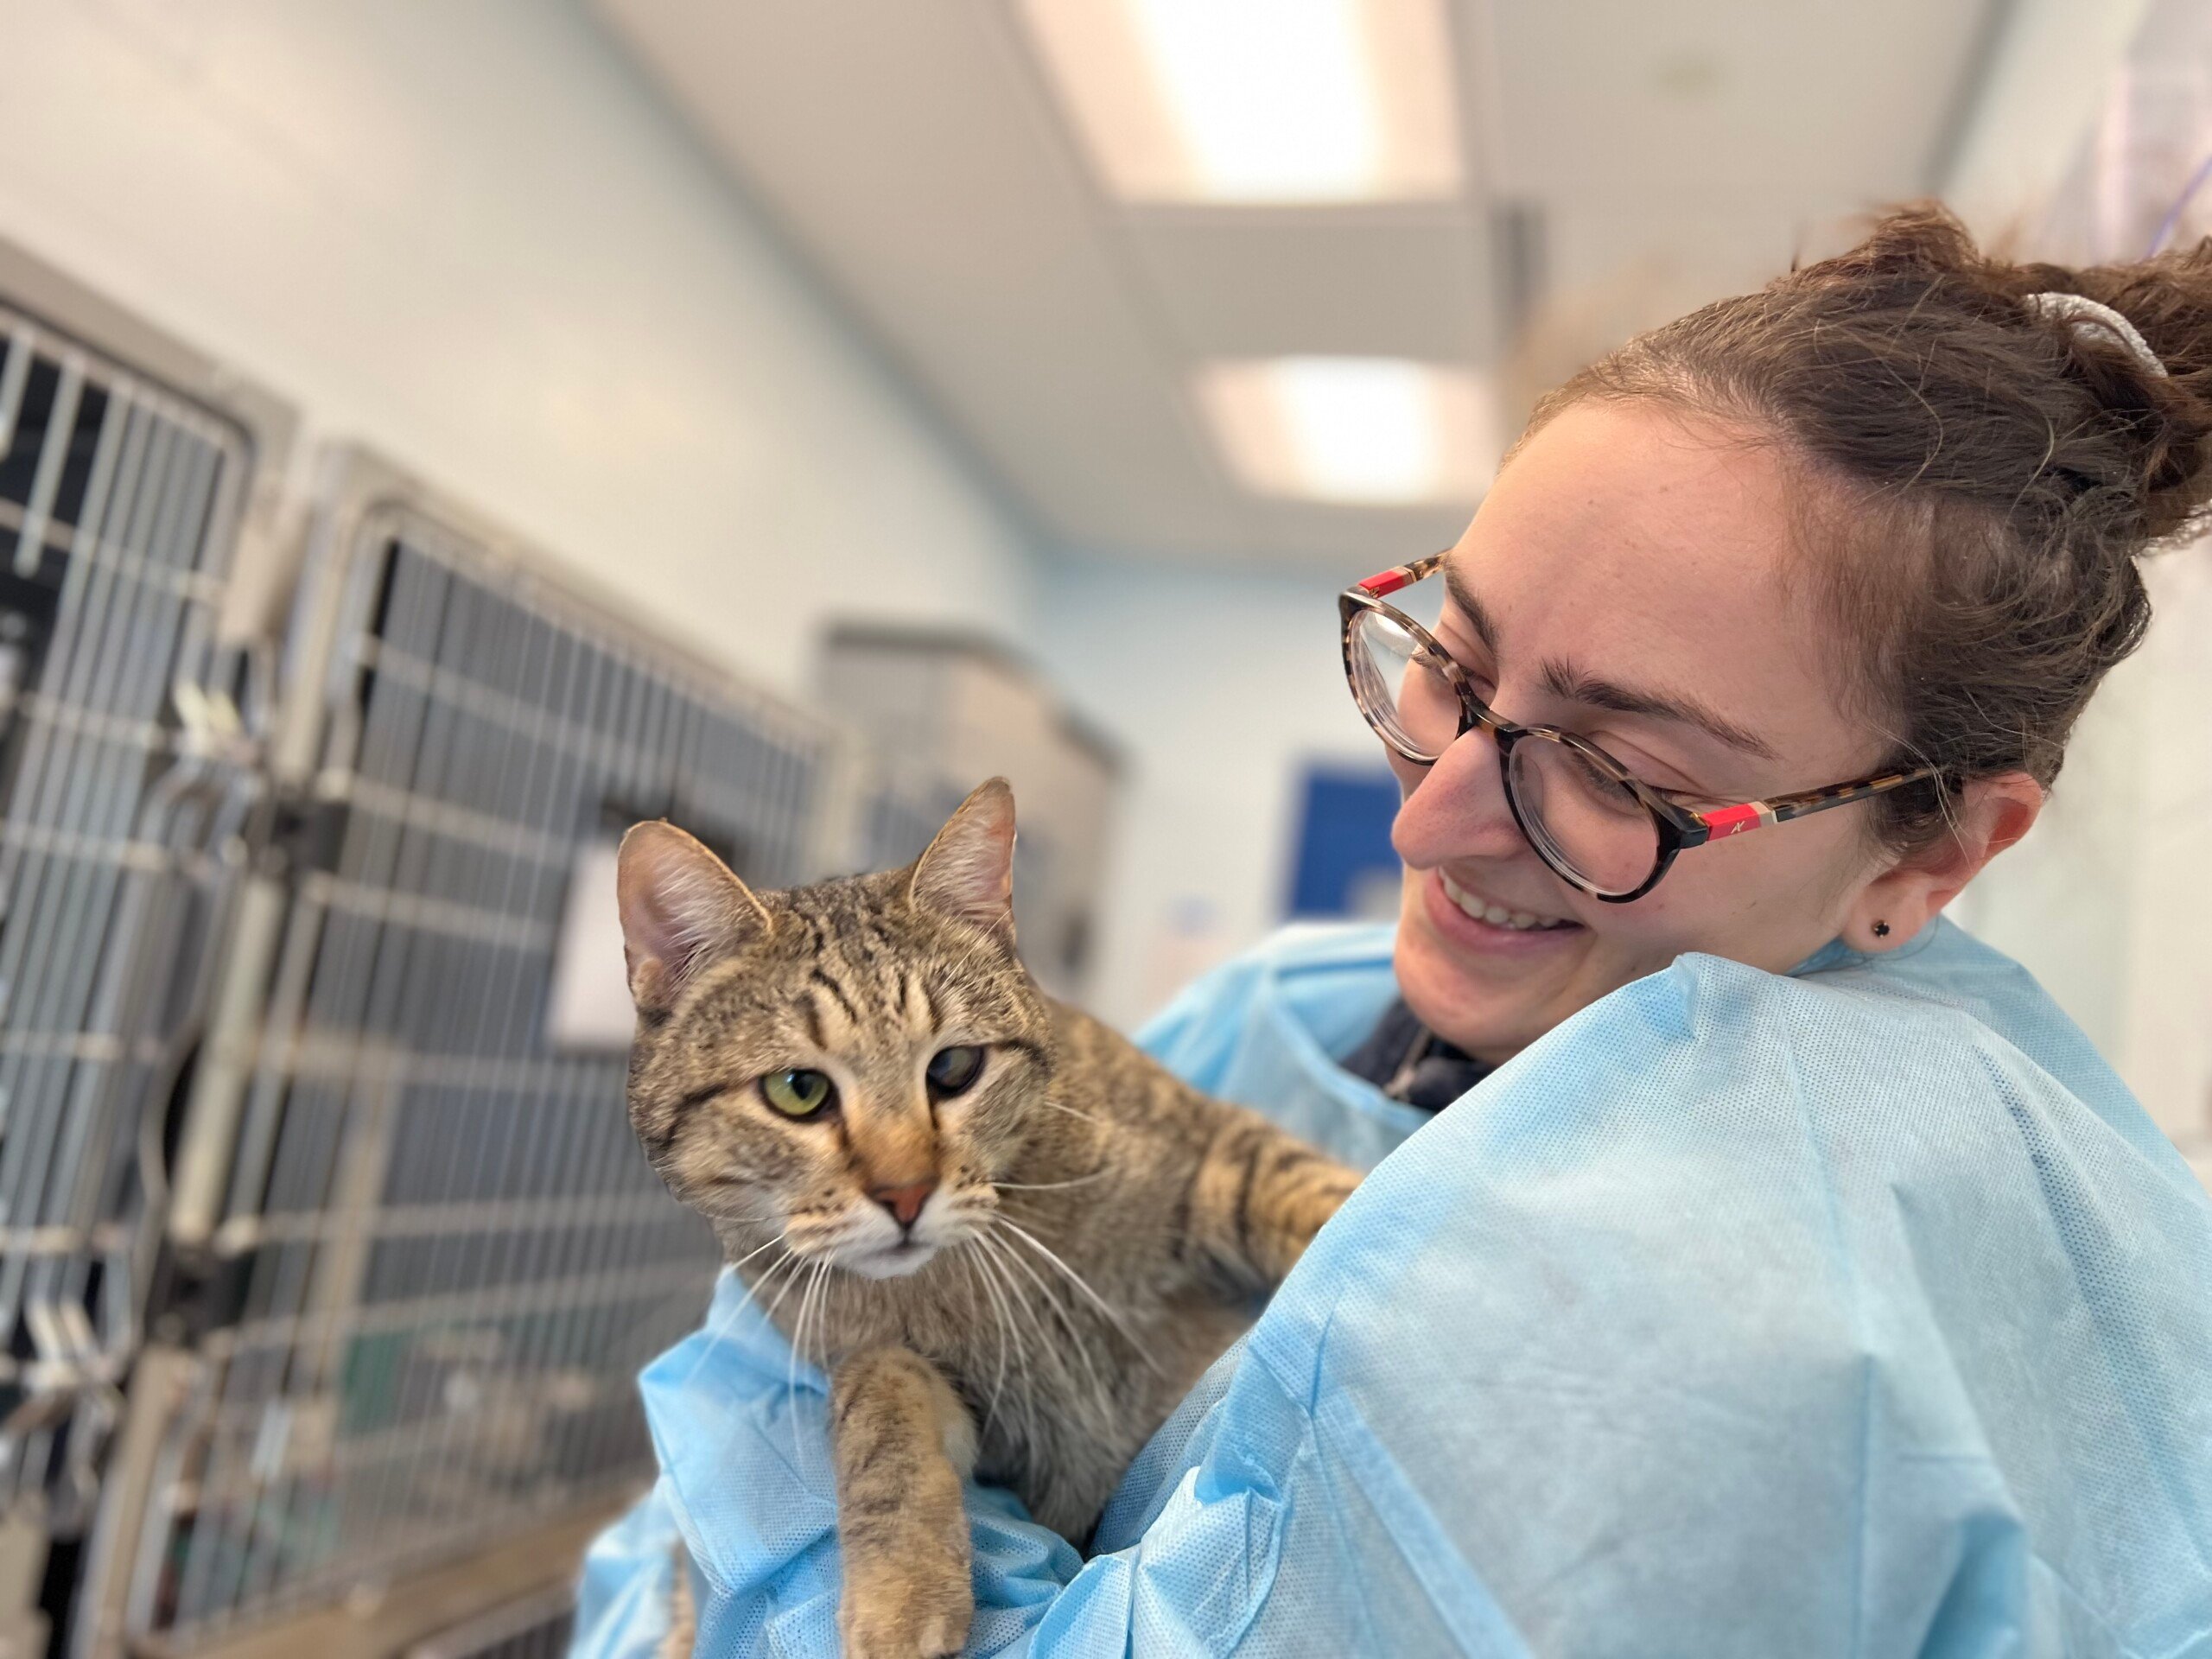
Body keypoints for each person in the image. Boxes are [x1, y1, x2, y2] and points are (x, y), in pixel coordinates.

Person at [570, 207, 2212, 1656]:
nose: (1423, 824)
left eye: (1617, 768)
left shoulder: (1763, 1318)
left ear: (1932, 856)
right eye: (1453, 658)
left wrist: (801, 1490)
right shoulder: (1303, 1011)